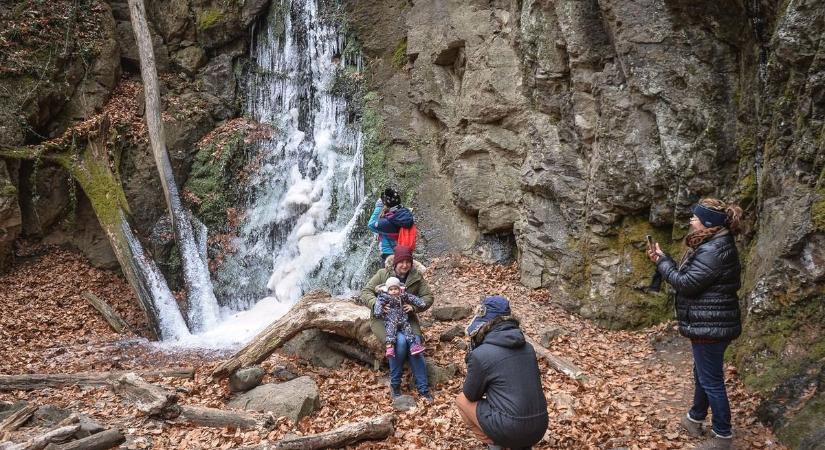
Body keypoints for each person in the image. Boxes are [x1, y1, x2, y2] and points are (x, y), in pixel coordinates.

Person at [647, 198, 744, 450]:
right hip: (709, 321)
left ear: (708, 223)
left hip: (710, 323)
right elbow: (692, 276)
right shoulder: (714, 243)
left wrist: (662, 263)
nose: (691, 220)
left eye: (696, 217)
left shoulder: (714, 250)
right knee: (703, 374)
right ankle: (695, 418)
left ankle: (722, 436)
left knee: (711, 379)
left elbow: (687, 283)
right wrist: (664, 259)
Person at [455, 296, 548, 450]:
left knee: (461, 400)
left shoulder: (482, 354)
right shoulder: (529, 348)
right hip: (539, 426)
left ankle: (494, 443)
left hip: (511, 428)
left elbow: (471, 396)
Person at [360, 245, 434, 401]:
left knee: (415, 343)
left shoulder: (416, 277)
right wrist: (376, 304)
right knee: (399, 343)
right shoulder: (382, 274)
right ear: (395, 263)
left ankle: (423, 389)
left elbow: (428, 298)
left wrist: (413, 307)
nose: (405, 265)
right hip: (383, 319)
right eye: (402, 262)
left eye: (408, 261)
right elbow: (366, 292)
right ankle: (395, 386)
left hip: (407, 319)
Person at [373, 276, 426, 358]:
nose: (393, 291)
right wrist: (378, 312)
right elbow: (378, 303)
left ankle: (413, 346)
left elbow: (412, 298)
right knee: (390, 332)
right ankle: (390, 348)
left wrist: (420, 303)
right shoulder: (384, 297)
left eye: (395, 289)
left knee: (408, 330)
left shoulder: (403, 295)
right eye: (391, 289)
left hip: (403, 319)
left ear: (399, 289)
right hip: (391, 319)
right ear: (387, 290)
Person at [367, 187, 414, 262]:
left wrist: (378, 207)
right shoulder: (404, 213)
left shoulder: (389, 222)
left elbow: (371, 224)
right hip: (401, 252)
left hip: (389, 253)